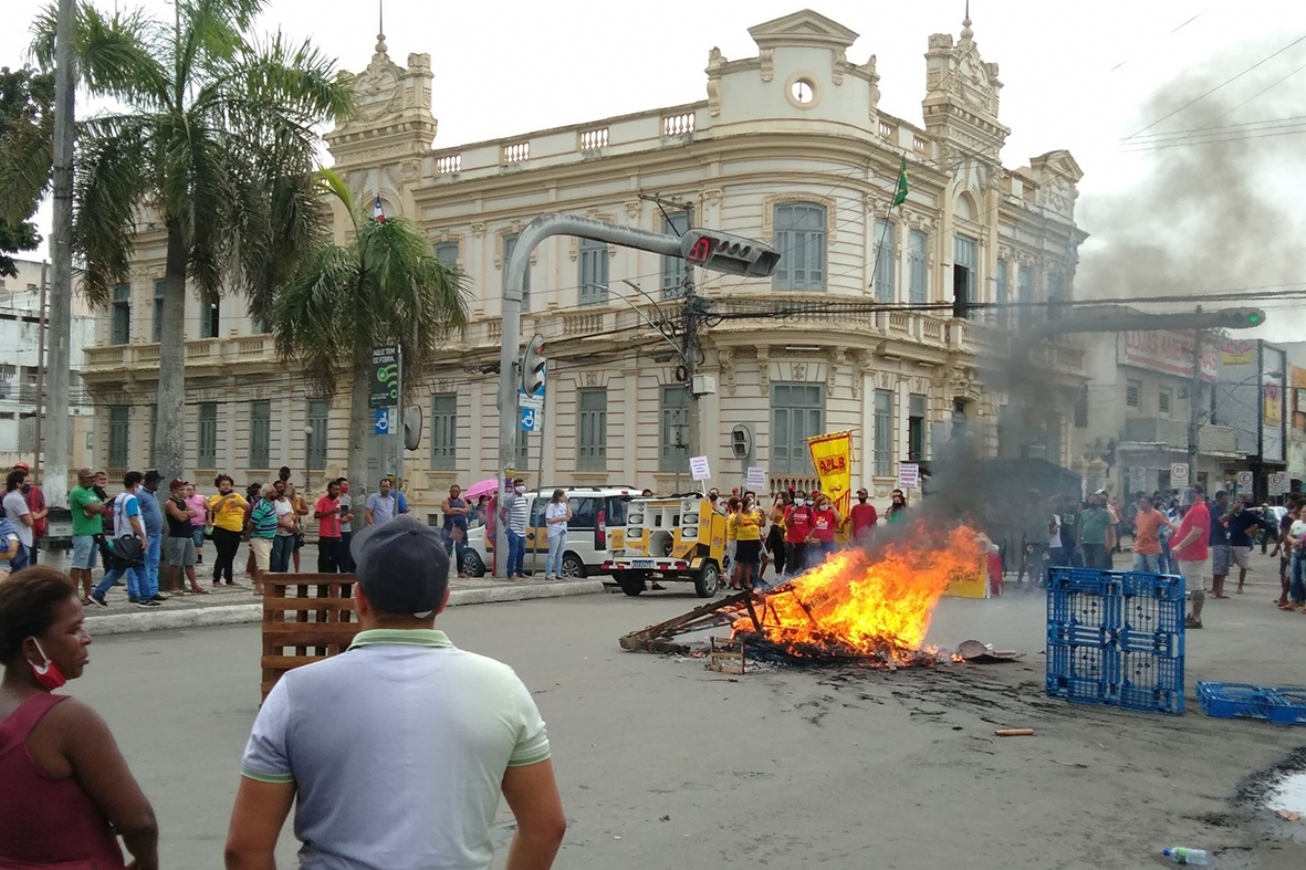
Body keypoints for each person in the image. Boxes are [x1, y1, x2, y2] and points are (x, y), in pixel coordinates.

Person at [225, 516, 565, 870]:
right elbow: (545, 826)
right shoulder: (502, 686)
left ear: (359, 598)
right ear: (444, 601)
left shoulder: (297, 692)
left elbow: (244, 848)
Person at [0, 566, 159, 869]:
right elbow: (139, 822)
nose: (86, 639)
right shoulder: (67, 720)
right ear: (31, 649)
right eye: (73, 630)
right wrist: (145, 861)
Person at [90, 472, 156, 609]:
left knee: (119, 568)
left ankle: (99, 593)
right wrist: (143, 538)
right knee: (140, 567)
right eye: (140, 483)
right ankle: (145, 598)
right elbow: (133, 519)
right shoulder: (131, 499)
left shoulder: (119, 498)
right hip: (132, 539)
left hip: (121, 538)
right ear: (136, 484)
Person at [1172, 485, 1210, 629]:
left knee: (1196, 587)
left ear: (1198, 494)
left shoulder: (1199, 509)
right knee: (1194, 586)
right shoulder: (1195, 509)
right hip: (1189, 553)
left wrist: (1180, 545)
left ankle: (1196, 617)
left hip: (1193, 554)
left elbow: (1196, 531)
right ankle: (1193, 615)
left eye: (1191, 493)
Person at [1223, 496, 1278, 594]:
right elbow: (1224, 522)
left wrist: (1251, 530)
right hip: (1231, 542)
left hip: (1243, 543)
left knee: (1243, 566)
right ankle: (1221, 585)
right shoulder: (1231, 515)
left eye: (1239, 503)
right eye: (1235, 503)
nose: (1237, 505)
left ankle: (1240, 586)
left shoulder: (1248, 515)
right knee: (1225, 564)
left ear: (1242, 505)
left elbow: (1263, 523)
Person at [69, 467, 106, 606]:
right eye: (88, 478)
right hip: (82, 532)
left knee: (88, 567)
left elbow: (101, 508)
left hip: (93, 531)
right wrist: (98, 508)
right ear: (80, 479)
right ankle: (73, 596)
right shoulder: (78, 492)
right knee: (78, 565)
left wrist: (98, 508)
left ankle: (88, 595)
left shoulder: (90, 491)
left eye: (92, 478)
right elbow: (96, 508)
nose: (91, 480)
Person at [164, 479, 207, 596]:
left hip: (187, 535)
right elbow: (180, 517)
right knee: (175, 562)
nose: (184, 492)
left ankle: (194, 585)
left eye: (185, 489)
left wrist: (185, 513)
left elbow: (194, 512)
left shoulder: (182, 502)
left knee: (189, 562)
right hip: (177, 536)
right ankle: (173, 586)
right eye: (181, 489)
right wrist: (186, 513)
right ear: (173, 490)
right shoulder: (170, 503)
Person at [208, 475, 248, 586]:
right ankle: (216, 579)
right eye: (223, 485)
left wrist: (238, 503)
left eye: (228, 485)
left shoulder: (237, 496)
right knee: (222, 555)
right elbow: (215, 508)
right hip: (222, 529)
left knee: (230, 556)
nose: (226, 487)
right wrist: (225, 498)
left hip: (236, 530)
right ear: (219, 486)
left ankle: (229, 579)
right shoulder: (215, 498)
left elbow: (248, 507)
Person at [137, 471, 167, 604]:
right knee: (141, 564)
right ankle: (137, 591)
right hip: (147, 534)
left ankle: (153, 590)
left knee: (154, 564)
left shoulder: (153, 496)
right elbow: (136, 515)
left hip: (156, 534)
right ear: (151, 482)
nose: (158, 484)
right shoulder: (140, 496)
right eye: (157, 481)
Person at [246, 485, 279, 596]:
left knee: (260, 563)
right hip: (260, 537)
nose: (276, 493)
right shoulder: (261, 506)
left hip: (268, 538)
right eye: (273, 491)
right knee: (264, 564)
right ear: (268, 493)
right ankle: (267, 587)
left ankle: (258, 587)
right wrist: (248, 535)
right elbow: (252, 522)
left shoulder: (269, 504)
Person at [13, 462, 48, 564]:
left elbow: (45, 509)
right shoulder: (8, 493)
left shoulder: (36, 491)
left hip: (32, 532)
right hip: (15, 532)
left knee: (31, 561)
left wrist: (38, 515)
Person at [729, 495, 765, 591]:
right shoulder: (739, 514)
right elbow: (737, 521)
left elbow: (761, 523)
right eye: (749, 504)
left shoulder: (754, 514)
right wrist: (740, 509)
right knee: (741, 562)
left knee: (750, 563)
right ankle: (736, 582)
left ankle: (747, 582)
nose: (751, 506)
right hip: (743, 540)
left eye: (752, 504)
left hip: (754, 540)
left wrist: (762, 514)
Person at [1131, 494, 1172, 573]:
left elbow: (1169, 526)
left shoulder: (1157, 514)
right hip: (1139, 545)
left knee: (1153, 569)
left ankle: (1156, 585)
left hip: (1151, 547)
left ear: (1149, 504)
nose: (1140, 504)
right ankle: (1138, 585)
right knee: (1137, 566)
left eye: (1143, 502)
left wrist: (1161, 535)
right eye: (1140, 502)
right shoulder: (1139, 514)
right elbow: (1137, 527)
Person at [3, 469, 34, 571]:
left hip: (16, 538)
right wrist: (34, 516)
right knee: (22, 574)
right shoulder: (17, 499)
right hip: (21, 539)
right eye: (26, 482)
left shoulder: (9, 497)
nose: (29, 485)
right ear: (18, 484)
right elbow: (29, 521)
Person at [312, 480, 344, 573]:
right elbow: (316, 515)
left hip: (336, 535)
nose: (337, 492)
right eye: (335, 489)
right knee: (324, 560)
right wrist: (331, 511)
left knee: (334, 561)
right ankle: (322, 583)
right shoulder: (323, 501)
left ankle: (333, 583)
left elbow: (337, 518)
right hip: (325, 535)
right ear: (329, 490)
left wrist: (345, 519)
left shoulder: (337, 501)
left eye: (338, 490)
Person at [1206, 491, 1233, 598]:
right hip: (1218, 540)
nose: (1226, 501)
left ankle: (1220, 590)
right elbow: (1222, 520)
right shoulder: (1214, 509)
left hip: (1227, 539)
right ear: (1218, 499)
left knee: (1224, 567)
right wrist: (1233, 511)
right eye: (1224, 499)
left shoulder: (1226, 509)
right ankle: (1214, 589)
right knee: (1218, 566)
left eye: (1227, 499)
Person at [441, 484, 471, 578]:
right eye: (453, 491)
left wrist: (456, 509)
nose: (455, 492)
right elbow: (447, 511)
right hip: (449, 528)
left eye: (456, 491)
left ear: (459, 492)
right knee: (447, 551)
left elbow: (468, 510)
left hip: (460, 529)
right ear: (450, 492)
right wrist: (461, 510)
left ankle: (461, 572)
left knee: (460, 550)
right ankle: (443, 571)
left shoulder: (462, 501)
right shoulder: (446, 501)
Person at [501, 478, 529, 579]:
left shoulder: (524, 498)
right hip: (512, 528)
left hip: (521, 529)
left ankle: (519, 571)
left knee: (522, 551)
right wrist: (505, 523)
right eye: (519, 485)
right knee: (513, 551)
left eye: (522, 484)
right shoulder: (511, 498)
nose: (521, 487)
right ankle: (510, 572)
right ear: (514, 487)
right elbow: (502, 513)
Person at [1078, 493, 1111, 570]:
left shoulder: (1104, 513)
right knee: (1088, 564)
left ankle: (1098, 580)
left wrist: (1108, 543)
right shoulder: (1083, 513)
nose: (1093, 502)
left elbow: (1108, 529)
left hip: (1099, 543)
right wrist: (1078, 542)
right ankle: (1090, 580)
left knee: (1098, 564)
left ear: (1099, 502)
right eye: (1091, 500)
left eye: (1095, 501)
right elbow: (1080, 527)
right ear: (1088, 501)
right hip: (1086, 542)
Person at [783, 491, 812, 578]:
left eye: (800, 497)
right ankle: (787, 583)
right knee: (790, 566)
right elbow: (787, 524)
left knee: (802, 566)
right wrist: (792, 513)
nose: (797, 499)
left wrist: (808, 536)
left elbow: (813, 525)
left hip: (803, 543)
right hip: (791, 543)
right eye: (796, 497)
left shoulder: (808, 510)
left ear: (804, 499)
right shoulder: (788, 508)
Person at [271, 481, 298, 574]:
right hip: (277, 533)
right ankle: (275, 579)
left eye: (281, 487)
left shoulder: (288, 501)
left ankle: (284, 579)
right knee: (276, 557)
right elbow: (272, 519)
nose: (280, 489)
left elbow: (295, 513)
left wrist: (295, 524)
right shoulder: (273, 502)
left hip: (290, 534)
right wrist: (285, 526)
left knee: (286, 558)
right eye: (278, 487)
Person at [543, 490, 571, 580]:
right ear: (558, 496)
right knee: (552, 553)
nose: (564, 497)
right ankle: (548, 573)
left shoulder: (562, 505)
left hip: (563, 530)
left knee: (560, 554)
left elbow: (569, 516)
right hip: (554, 531)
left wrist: (567, 503)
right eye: (562, 496)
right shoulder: (551, 506)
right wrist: (560, 518)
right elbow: (549, 520)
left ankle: (558, 573)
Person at [807, 494, 840, 566]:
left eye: (826, 503)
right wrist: (810, 538)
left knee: (829, 563)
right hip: (815, 542)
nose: (825, 505)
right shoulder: (812, 513)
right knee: (815, 563)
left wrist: (833, 507)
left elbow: (838, 519)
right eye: (822, 504)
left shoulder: (830, 512)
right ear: (818, 504)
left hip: (828, 542)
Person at [335, 477, 357, 574]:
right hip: (336, 529)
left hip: (346, 529)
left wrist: (349, 516)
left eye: (347, 485)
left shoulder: (348, 498)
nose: (346, 487)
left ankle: (345, 571)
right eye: (344, 485)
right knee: (337, 553)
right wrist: (340, 520)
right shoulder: (335, 498)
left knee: (346, 552)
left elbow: (349, 511)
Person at [766, 493, 788, 578]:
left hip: (785, 530)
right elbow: (771, 517)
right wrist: (776, 505)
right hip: (775, 529)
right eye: (777, 498)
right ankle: (778, 574)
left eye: (781, 498)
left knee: (785, 553)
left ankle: (786, 573)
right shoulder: (774, 507)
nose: (779, 499)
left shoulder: (788, 508)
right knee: (777, 553)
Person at [186, 483, 208, 565]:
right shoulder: (184, 500)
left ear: (195, 490)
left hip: (199, 523)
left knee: (198, 541)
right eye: (187, 489)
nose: (189, 491)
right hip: (188, 523)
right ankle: (191, 557)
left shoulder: (201, 498)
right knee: (189, 541)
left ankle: (199, 558)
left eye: (191, 489)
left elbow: (209, 508)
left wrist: (209, 519)